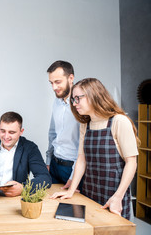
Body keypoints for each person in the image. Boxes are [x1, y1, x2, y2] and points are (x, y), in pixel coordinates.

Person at [51, 78, 139, 220]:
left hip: (114, 194)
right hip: (89, 192)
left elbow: (131, 163)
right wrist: (71, 190)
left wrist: (118, 197)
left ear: (94, 95)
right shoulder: (85, 125)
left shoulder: (119, 121)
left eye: (78, 98)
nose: (74, 104)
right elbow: (81, 159)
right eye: (73, 99)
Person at [46, 60, 80, 189]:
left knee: (72, 207)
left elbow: (84, 144)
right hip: (54, 165)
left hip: (72, 168)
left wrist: (74, 176)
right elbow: (52, 133)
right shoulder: (56, 101)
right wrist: (48, 161)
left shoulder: (82, 105)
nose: (54, 87)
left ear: (71, 78)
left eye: (58, 82)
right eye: (51, 83)